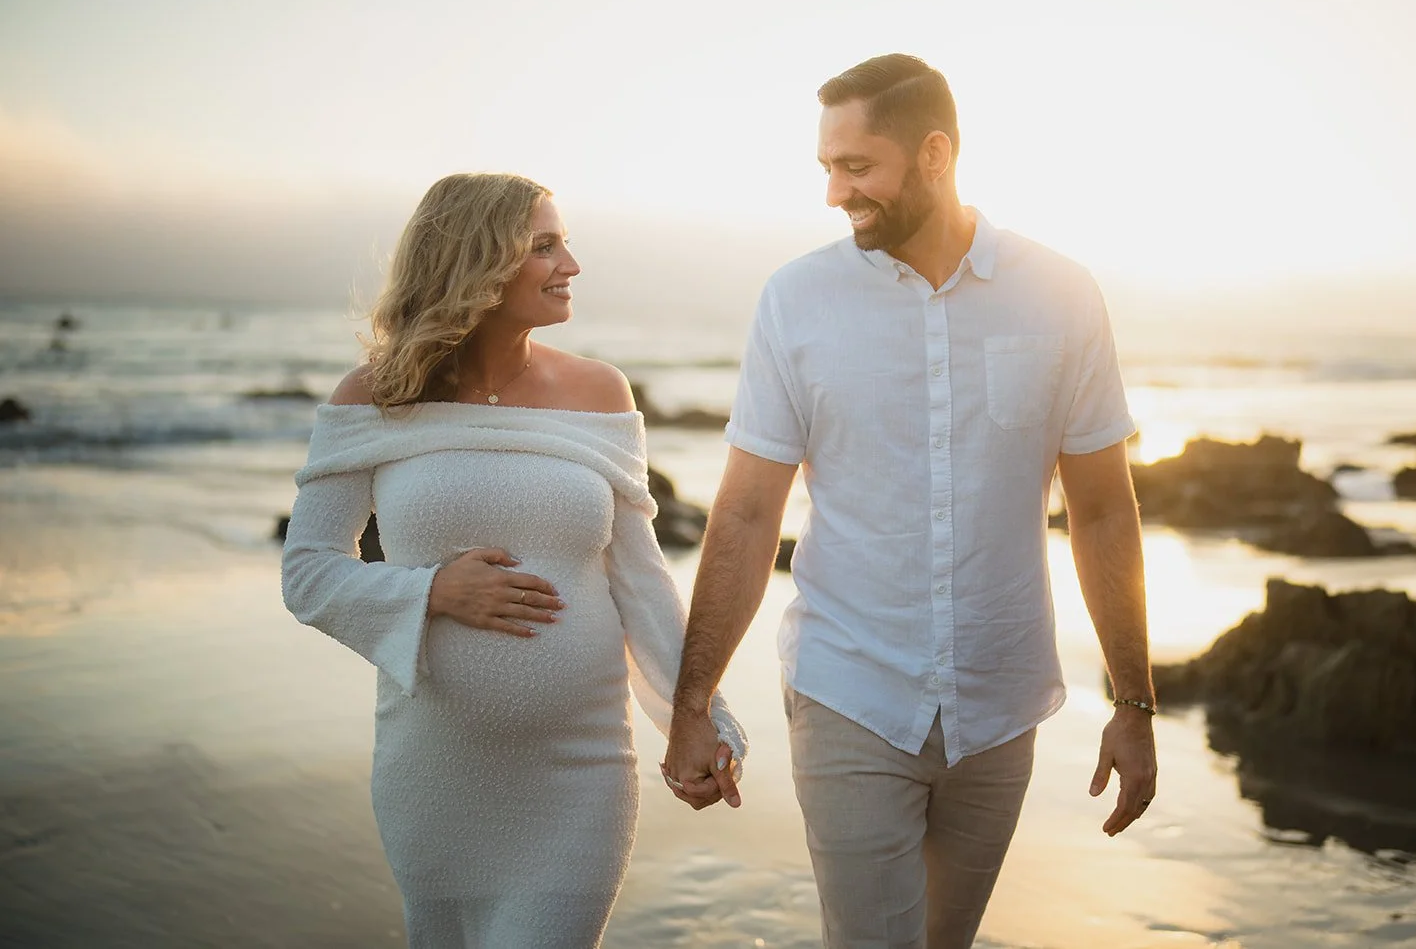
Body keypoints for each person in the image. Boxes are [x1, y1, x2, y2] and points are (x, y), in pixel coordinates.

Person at [661, 55, 1157, 948]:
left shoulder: (1061, 294)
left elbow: (1104, 508)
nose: (834, 193)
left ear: (935, 155)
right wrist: (691, 702)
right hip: (850, 685)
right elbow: (742, 514)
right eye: (826, 167)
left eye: (857, 168)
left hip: (1000, 702)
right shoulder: (797, 301)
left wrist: (1135, 700)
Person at [280, 173, 745, 948]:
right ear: (477, 260)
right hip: (434, 769)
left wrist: (696, 718)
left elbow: (640, 578)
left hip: (580, 769)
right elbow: (308, 572)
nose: (571, 263)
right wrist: (432, 589)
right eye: (545, 245)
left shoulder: (600, 392)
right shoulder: (375, 395)